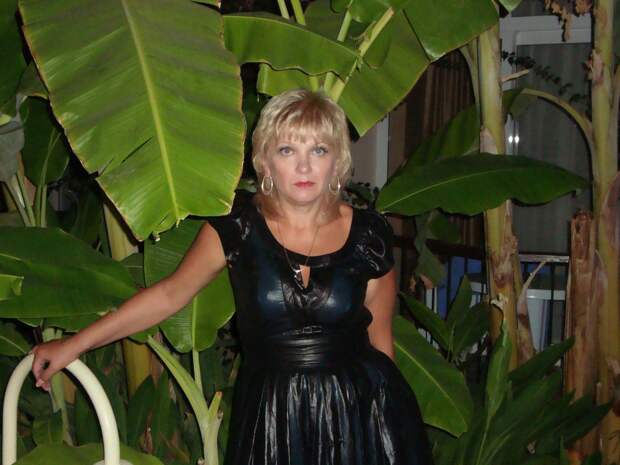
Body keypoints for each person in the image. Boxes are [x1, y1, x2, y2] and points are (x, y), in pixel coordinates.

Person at [31, 89, 434, 465]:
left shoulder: (368, 235)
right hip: (273, 414)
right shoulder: (237, 228)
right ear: (266, 161)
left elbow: (381, 341)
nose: (305, 166)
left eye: (319, 149)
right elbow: (168, 296)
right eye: (288, 149)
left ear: (337, 161)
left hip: (357, 412)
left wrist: (385, 431)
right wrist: (74, 345)